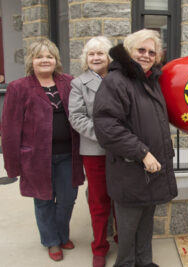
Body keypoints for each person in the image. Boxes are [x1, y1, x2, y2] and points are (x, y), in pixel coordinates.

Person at [92, 29, 177, 267]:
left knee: (146, 223)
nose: (146, 55)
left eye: (152, 52)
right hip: (131, 168)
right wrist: (142, 152)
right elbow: (107, 126)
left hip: (152, 169)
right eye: (141, 50)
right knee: (128, 229)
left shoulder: (150, 81)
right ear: (129, 51)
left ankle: (144, 262)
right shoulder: (116, 81)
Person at [1, 39, 84, 261]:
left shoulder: (69, 83)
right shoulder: (18, 88)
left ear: (56, 60)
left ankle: (62, 233)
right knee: (44, 199)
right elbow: (9, 128)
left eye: (49, 56)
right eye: (39, 56)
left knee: (68, 198)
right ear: (32, 61)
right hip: (36, 158)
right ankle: (52, 240)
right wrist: (12, 164)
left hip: (69, 155)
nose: (45, 60)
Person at [68, 36, 115, 267]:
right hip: (95, 150)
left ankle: (121, 237)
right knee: (99, 200)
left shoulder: (119, 79)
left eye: (100, 53)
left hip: (122, 150)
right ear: (85, 58)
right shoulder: (79, 83)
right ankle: (99, 247)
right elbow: (76, 117)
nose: (96, 57)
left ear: (109, 57)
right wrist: (106, 136)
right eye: (91, 54)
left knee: (122, 197)